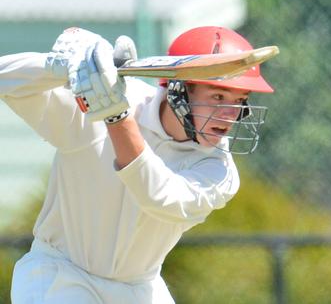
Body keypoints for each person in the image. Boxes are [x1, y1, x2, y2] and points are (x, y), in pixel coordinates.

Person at [0, 25, 274, 303]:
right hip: (59, 275)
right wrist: (62, 67)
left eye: (240, 100)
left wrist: (115, 114)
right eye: (218, 97)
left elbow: (158, 197)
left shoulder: (218, 169)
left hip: (140, 288)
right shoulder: (108, 96)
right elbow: (5, 79)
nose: (230, 114)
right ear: (177, 90)